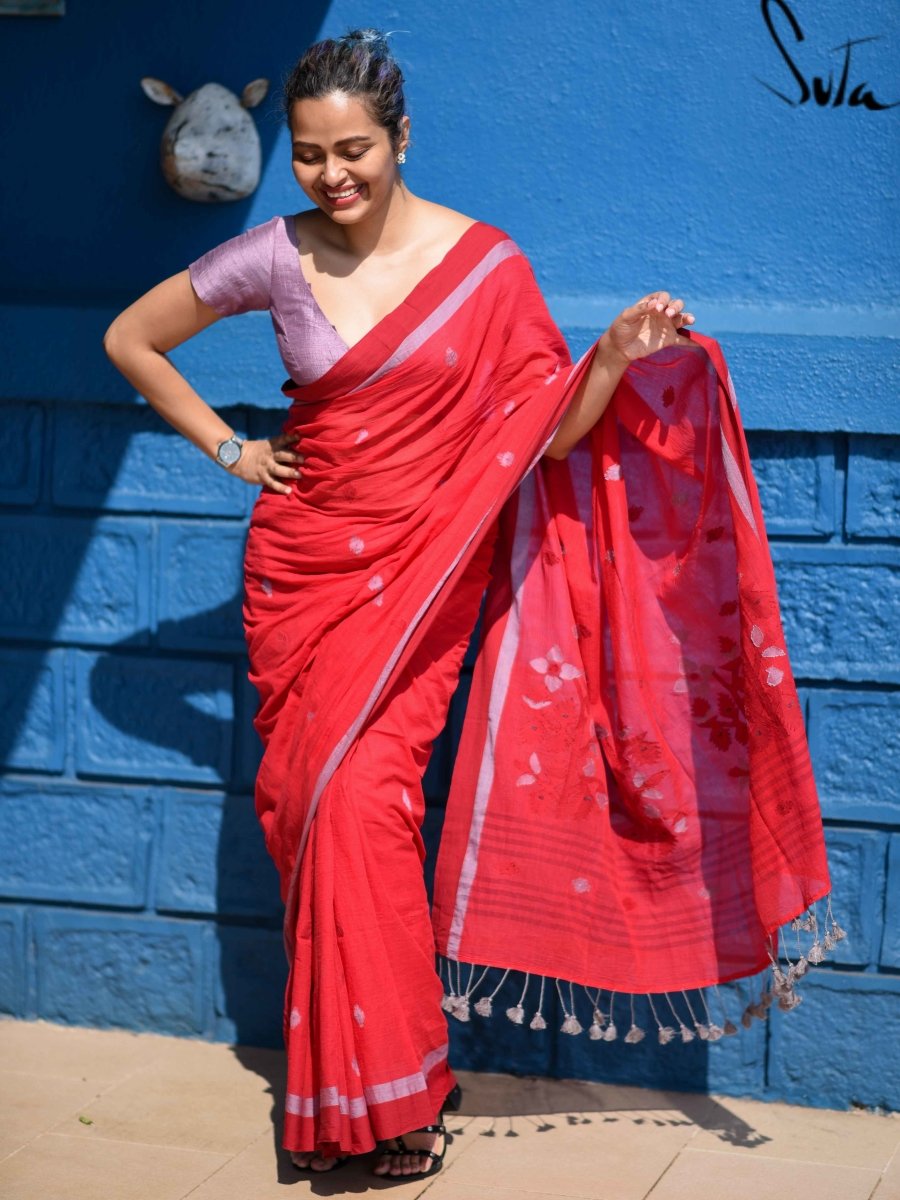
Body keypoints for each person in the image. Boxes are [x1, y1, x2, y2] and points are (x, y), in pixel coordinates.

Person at [104, 28, 838, 1182]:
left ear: (401, 140)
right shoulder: (270, 257)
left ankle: (390, 1104)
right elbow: (130, 337)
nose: (332, 176)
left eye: (355, 150)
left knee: (361, 807)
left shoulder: (485, 268)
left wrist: (610, 358)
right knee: (309, 811)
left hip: (425, 577)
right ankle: (379, 1086)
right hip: (306, 573)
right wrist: (231, 449)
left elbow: (544, 436)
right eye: (308, 156)